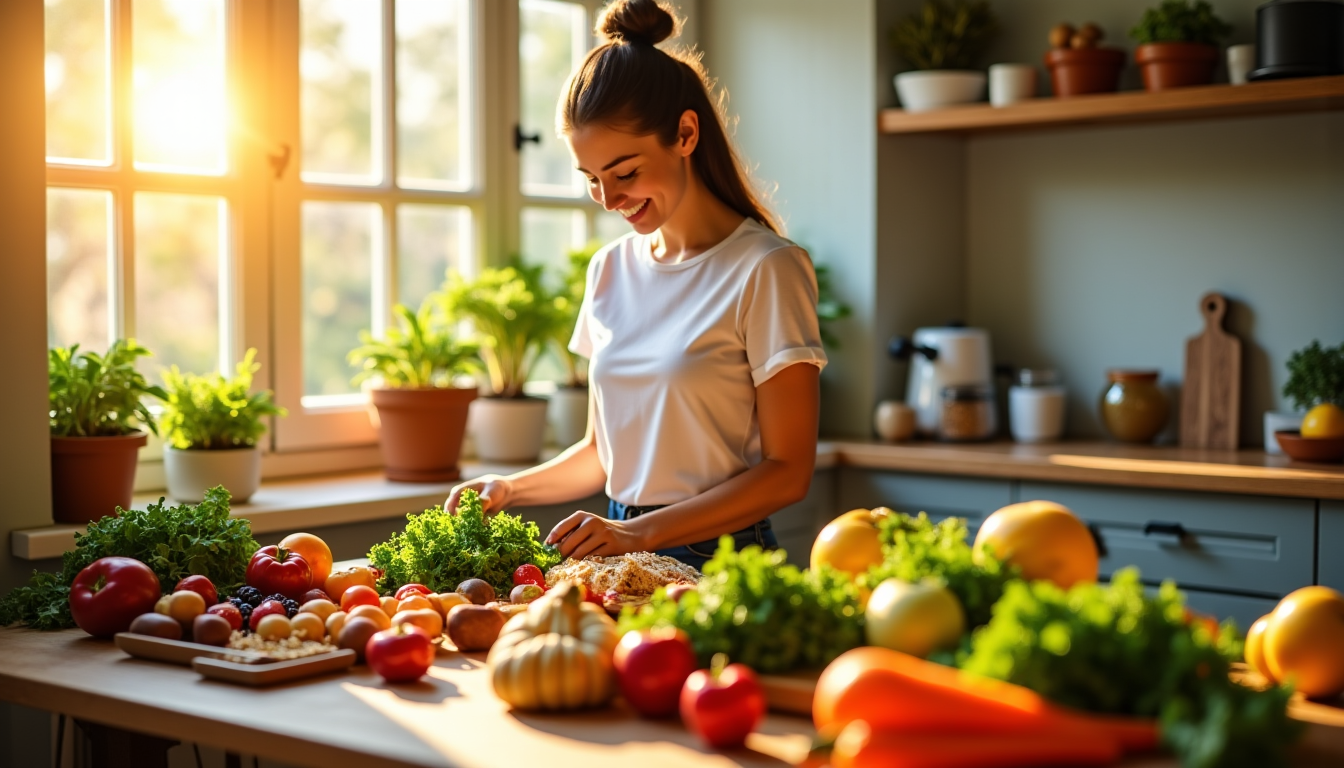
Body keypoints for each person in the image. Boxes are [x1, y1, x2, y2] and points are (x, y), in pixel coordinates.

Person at [447, 0, 826, 570]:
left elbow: (787, 473)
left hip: (721, 560)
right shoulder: (609, 270)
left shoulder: (767, 268)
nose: (608, 199)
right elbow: (605, 456)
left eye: (624, 172)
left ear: (686, 134)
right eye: (592, 179)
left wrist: (638, 534)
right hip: (620, 552)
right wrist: (510, 489)